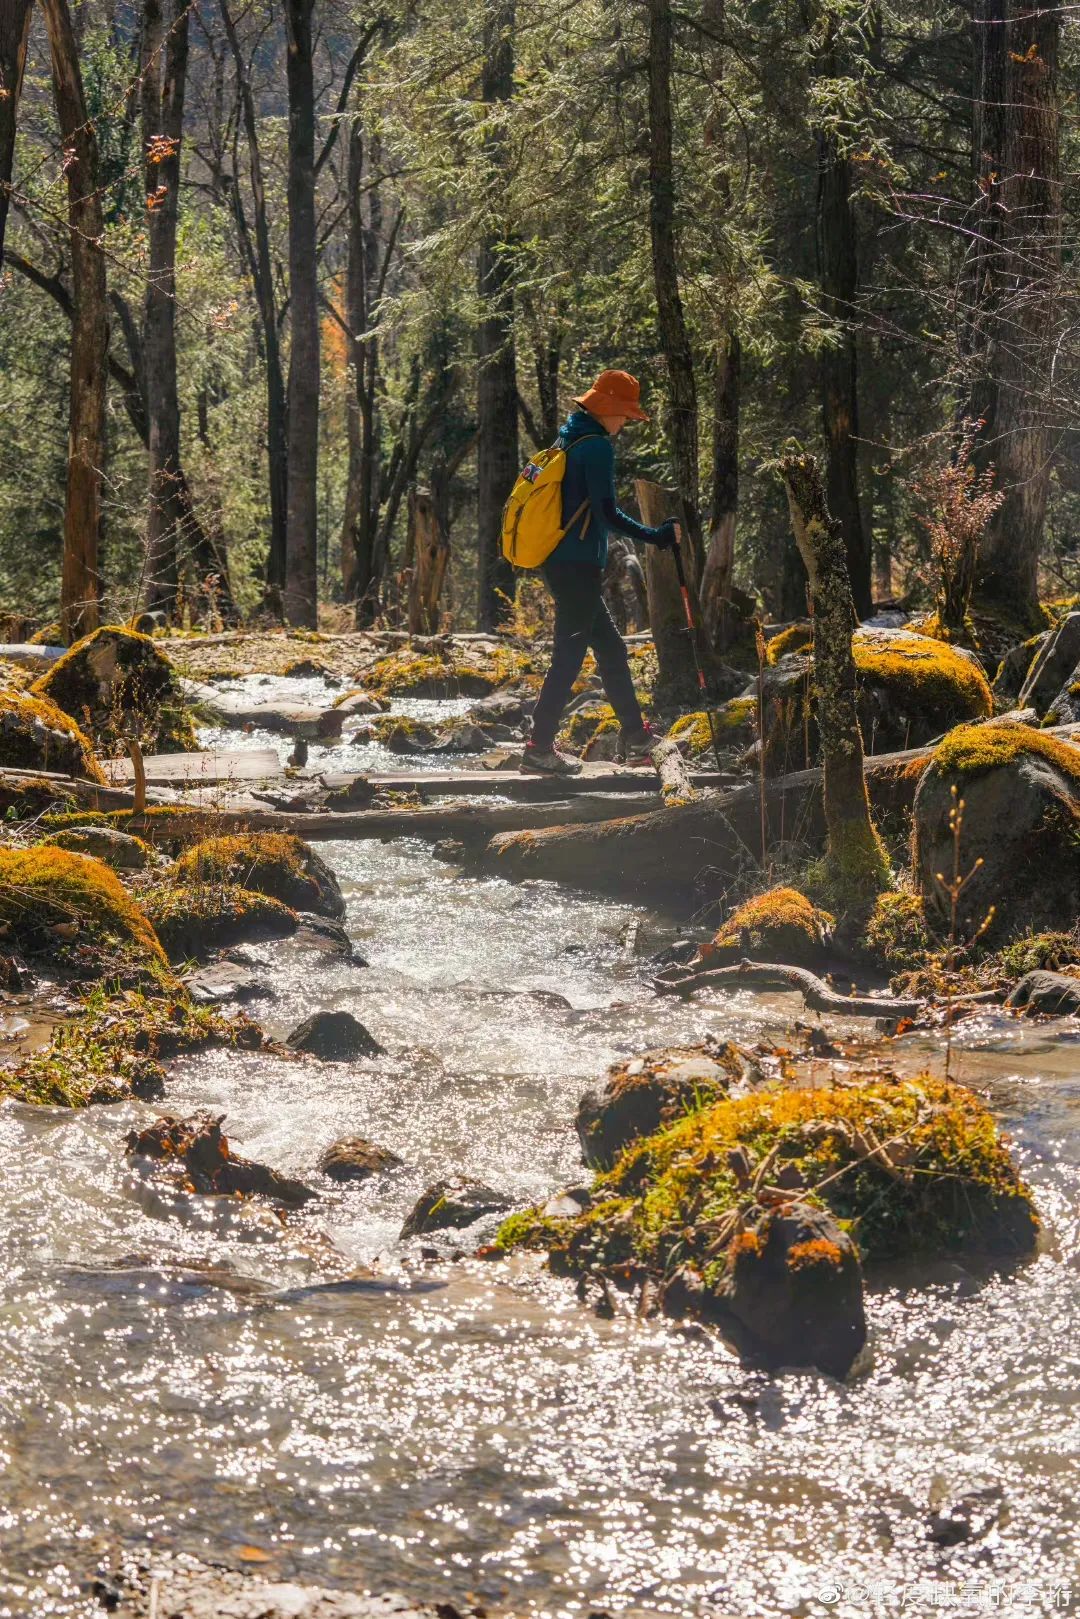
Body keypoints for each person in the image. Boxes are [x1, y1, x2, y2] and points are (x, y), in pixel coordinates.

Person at [521, 369, 679, 776]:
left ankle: (636, 738)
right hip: (576, 567)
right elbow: (607, 512)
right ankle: (538, 749)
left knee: (610, 648)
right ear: (607, 407)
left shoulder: (569, 437)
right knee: (569, 657)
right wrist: (656, 536)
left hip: (562, 562)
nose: (625, 422)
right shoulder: (595, 448)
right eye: (624, 414)